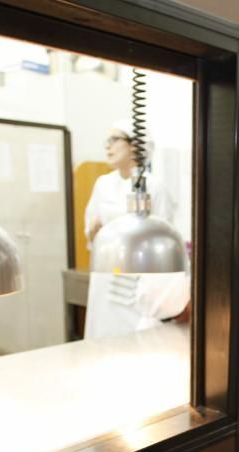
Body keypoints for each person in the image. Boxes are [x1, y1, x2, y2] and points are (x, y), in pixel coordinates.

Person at [83, 120, 188, 339]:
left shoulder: (154, 186)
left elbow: (162, 236)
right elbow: (91, 231)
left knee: (132, 340)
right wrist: (93, 231)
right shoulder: (102, 184)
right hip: (105, 274)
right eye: (107, 141)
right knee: (102, 334)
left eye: (114, 139)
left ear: (135, 145)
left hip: (137, 281)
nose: (107, 146)